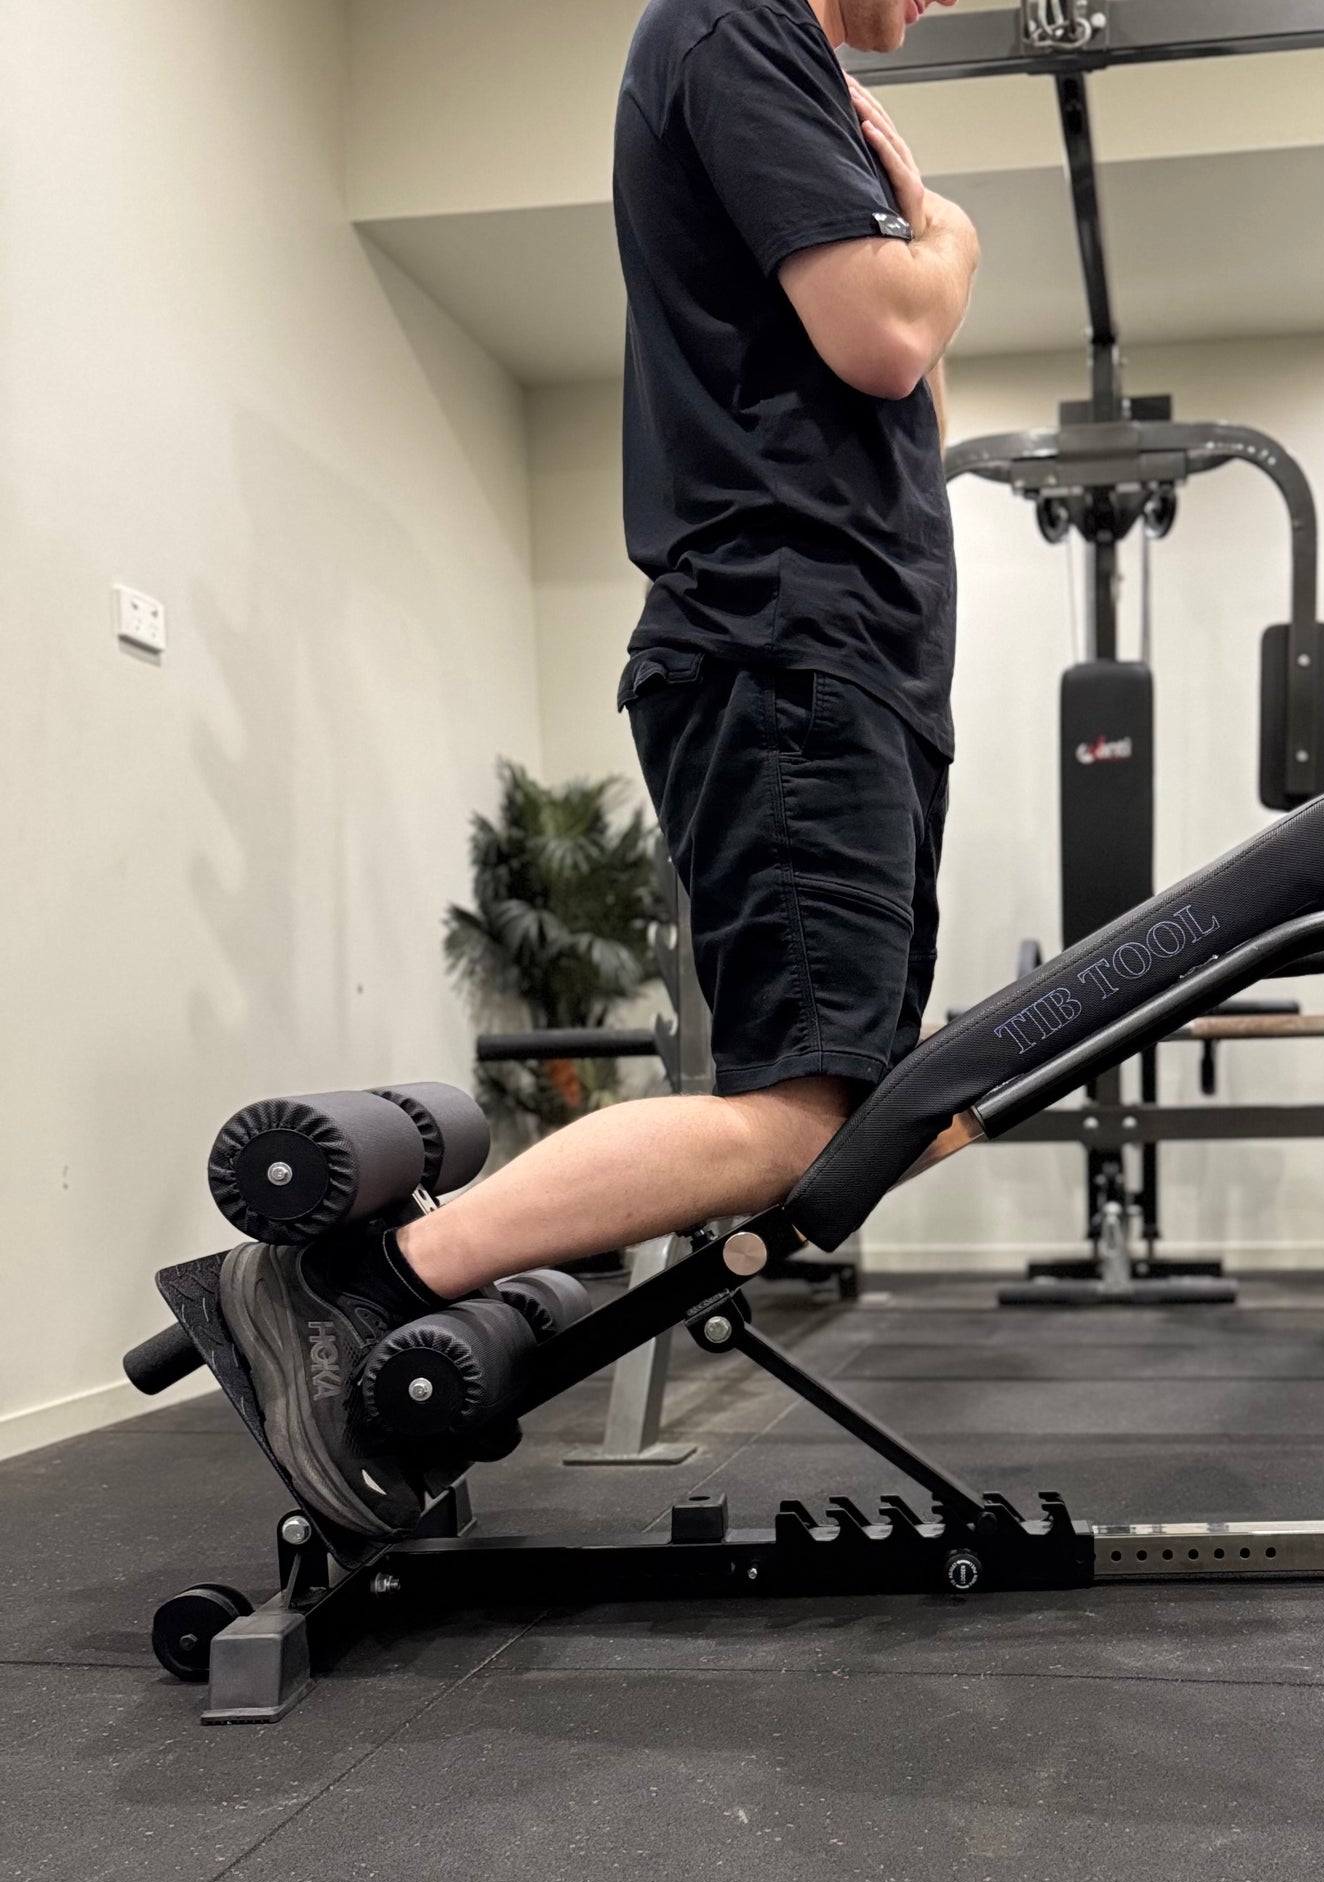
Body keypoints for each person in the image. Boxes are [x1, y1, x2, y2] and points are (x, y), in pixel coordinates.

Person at [215, 0, 979, 1539]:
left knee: (880, 1112)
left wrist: (916, 257)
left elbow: (906, 391)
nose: (949, 1)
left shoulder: (798, 75)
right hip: (786, 650)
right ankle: (346, 1288)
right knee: (802, 1115)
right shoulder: (735, 24)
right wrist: (949, 240)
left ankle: (370, 1284)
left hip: (853, 668)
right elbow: (887, 334)